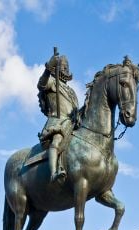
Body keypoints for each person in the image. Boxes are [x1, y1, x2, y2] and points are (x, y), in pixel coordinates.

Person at [37, 51, 79, 182]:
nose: (65, 68)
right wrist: (48, 68)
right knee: (57, 140)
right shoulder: (52, 82)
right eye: (63, 66)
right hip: (56, 123)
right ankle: (53, 173)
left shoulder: (72, 92)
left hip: (71, 125)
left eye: (67, 66)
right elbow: (41, 85)